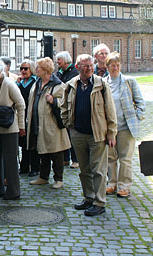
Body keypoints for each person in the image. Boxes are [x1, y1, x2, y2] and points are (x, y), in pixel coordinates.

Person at [61, 54, 117, 216]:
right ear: (78, 67)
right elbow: (64, 107)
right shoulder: (71, 85)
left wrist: (111, 134)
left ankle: (99, 202)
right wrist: (69, 125)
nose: (90, 68)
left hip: (98, 134)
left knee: (99, 170)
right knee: (84, 169)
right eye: (85, 66)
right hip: (78, 133)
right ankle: (89, 198)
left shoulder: (101, 85)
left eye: (91, 65)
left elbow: (110, 111)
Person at [104, 52, 145, 198]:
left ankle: (124, 186)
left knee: (125, 158)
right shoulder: (104, 83)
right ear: (107, 67)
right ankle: (112, 184)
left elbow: (140, 102)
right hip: (110, 128)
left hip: (127, 127)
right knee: (111, 157)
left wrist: (137, 117)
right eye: (112, 65)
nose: (115, 68)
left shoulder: (129, 81)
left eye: (117, 65)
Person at [0, 56, 25, 200]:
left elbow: (20, 104)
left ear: (0, 72)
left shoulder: (9, 84)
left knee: (10, 160)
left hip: (10, 127)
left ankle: (13, 191)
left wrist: (21, 126)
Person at [27, 57, 71, 189]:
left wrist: (54, 101)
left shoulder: (58, 86)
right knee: (43, 151)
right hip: (38, 123)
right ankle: (43, 177)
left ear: (46, 70)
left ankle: (58, 179)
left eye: (38, 68)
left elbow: (65, 104)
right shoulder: (37, 83)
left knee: (56, 152)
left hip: (52, 125)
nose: (36, 69)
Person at [56, 51, 79, 169]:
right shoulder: (60, 72)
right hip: (62, 105)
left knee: (71, 134)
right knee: (64, 133)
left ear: (65, 60)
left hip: (71, 105)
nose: (57, 62)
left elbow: (67, 85)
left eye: (59, 60)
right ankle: (65, 158)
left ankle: (75, 160)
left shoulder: (73, 72)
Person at [16, 59, 39, 177]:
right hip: (21, 114)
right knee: (23, 142)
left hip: (32, 115)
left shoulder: (35, 82)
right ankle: (24, 166)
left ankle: (34, 167)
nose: (23, 71)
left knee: (33, 142)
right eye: (21, 68)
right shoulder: (18, 84)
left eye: (26, 68)